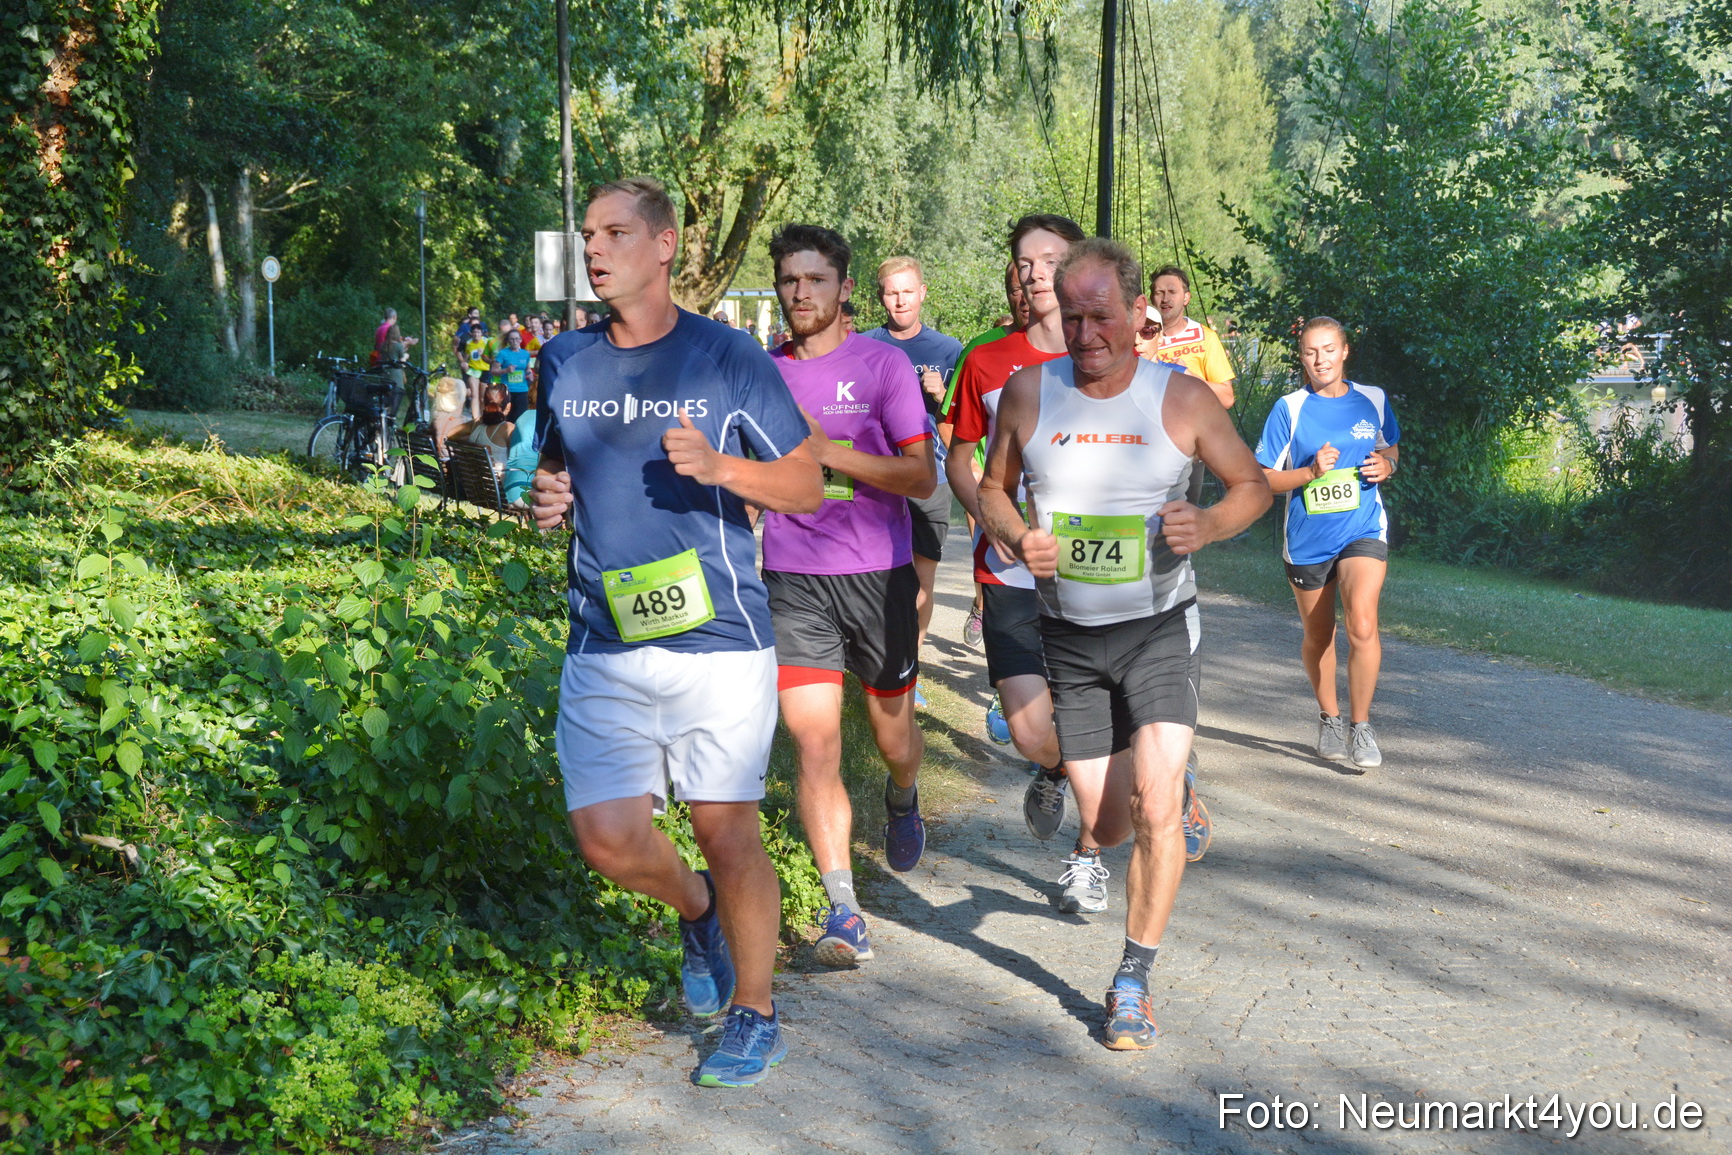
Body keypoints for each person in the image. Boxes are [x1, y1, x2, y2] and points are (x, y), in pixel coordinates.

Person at [529, 176, 821, 1088]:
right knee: (607, 838)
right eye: (586, 234)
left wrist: (725, 466)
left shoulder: (726, 356)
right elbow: (553, 466)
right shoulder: (563, 362)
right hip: (603, 636)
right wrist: (547, 496)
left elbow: (807, 485)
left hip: (719, 638)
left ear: (664, 245)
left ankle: (755, 1008)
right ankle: (696, 912)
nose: (595, 248)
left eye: (615, 232)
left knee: (725, 824)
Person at [976, 238, 1271, 1049]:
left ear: (1138, 313)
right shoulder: (1028, 394)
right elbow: (993, 487)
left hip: (1158, 632)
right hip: (1070, 638)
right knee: (1107, 825)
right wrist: (1013, 537)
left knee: (1157, 803)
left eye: (1100, 315)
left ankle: (1132, 979)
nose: (1085, 332)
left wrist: (1208, 522)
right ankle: (1104, 789)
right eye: (1070, 315)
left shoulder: (1181, 399)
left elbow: (1249, 486)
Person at [761, 224, 936, 968]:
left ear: (844, 289)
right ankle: (844, 908)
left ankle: (903, 793)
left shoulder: (883, 365)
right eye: (789, 280)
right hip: (793, 578)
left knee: (893, 737)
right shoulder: (761, 373)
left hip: (878, 572)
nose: (801, 293)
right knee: (815, 741)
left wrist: (829, 452)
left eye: (815, 280)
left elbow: (920, 476)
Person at [944, 215, 1084, 876]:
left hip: (1096, 571)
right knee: (1029, 729)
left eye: (1047, 259)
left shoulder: (1115, 355)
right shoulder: (987, 358)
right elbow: (959, 460)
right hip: (1010, 572)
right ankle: (1054, 768)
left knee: (1096, 707)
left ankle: (1090, 855)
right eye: (1023, 262)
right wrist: (996, 525)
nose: (1032, 273)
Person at [1253, 316, 1400, 770]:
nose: (1321, 360)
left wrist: (1387, 467)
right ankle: (1330, 718)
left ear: (1344, 351)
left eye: (1329, 349)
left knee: (1362, 622)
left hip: (1362, 528)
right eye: (1312, 352)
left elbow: (1390, 447)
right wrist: (1309, 473)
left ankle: (1361, 725)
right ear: (1303, 358)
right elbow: (1260, 478)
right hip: (1308, 539)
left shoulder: (1372, 399)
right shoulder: (1290, 408)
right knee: (1321, 634)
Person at [862, 256, 964, 704]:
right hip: (876, 479)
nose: (899, 300)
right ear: (880, 296)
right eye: (891, 291)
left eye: (907, 290)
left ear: (923, 292)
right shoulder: (862, 346)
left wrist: (941, 395)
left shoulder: (949, 350)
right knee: (873, 575)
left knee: (923, 580)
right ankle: (869, 665)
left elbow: (964, 424)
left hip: (931, 477)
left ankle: (911, 673)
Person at [943, 261, 1030, 654]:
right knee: (1017, 662)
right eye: (1015, 287)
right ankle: (982, 609)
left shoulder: (1091, 348)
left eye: (1036, 283)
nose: (1025, 295)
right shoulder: (981, 352)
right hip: (1001, 511)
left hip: (1078, 538)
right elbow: (952, 434)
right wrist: (983, 502)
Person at [1137, 266, 1235, 409]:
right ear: (1151, 298)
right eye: (1159, 293)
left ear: (1186, 297)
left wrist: (1189, 376)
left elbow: (1227, 399)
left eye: (1172, 292)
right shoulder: (1137, 339)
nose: (1165, 299)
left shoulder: (1204, 337)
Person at [449, 380, 515, 472]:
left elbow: (450, 434)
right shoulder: (508, 429)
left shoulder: (476, 423)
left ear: (484, 404)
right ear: (508, 406)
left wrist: (472, 444)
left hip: (472, 482)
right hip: (498, 484)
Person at [491, 328, 535, 422]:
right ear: (508, 341)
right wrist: (506, 370)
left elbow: (527, 369)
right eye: (511, 339)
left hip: (522, 390)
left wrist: (530, 374)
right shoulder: (503, 353)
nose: (514, 341)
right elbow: (493, 371)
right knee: (507, 417)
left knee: (521, 418)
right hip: (508, 391)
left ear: (520, 340)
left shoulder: (525, 354)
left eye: (516, 339)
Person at [462, 321, 492, 421]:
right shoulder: (469, 343)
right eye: (474, 332)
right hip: (473, 370)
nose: (476, 334)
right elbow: (466, 356)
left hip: (485, 369)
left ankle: (484, 416)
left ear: (482, 333)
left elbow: (493, 356)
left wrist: (483, 353)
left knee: (483, 397)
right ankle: (475, 418)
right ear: (471, 333)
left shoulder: (486, 342)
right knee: (474, 395)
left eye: (478, 332)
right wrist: (464, 363)